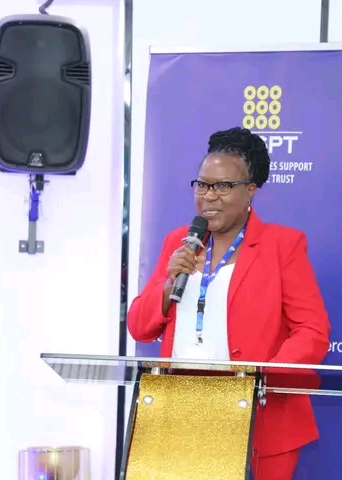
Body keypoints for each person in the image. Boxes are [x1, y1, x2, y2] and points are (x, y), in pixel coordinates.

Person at [128, 127, 331, 480]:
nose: (208, 196)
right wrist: (167, 286)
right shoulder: (179, 242)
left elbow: (312, 331)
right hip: (181, 412)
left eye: (222, 186)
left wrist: (261, 379)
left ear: (250, 190)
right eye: (202, 185)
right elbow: (139, 326)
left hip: (258, 415)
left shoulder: (282, 246)